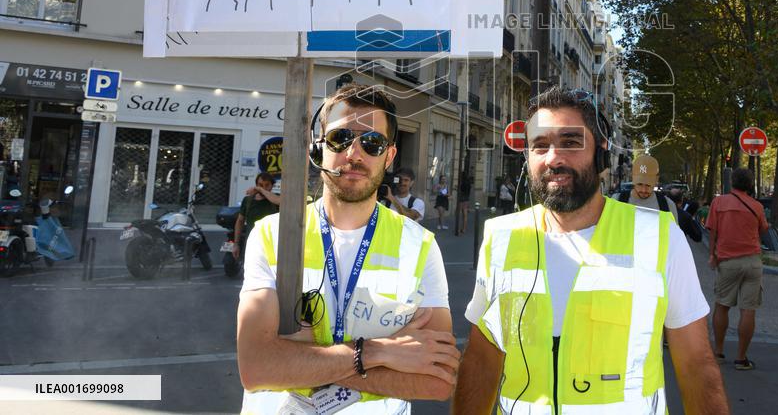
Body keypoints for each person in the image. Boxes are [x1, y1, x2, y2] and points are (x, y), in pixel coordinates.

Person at [454, 87, 729, 414]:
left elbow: (696, 364)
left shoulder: (659, 236)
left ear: (601, 154)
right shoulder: (501, 236)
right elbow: (482, 359)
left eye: (570, 143)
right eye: (540, 146)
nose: (553, 158)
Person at [237, 83, 460, 414]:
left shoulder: (420, 246)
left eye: (372, 143)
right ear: (318, 149)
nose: (354, 154)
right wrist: (376, 353)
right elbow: (257, 369)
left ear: (389, 156)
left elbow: (437, 380)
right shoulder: (271, 234)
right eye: (339, 139)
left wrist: (301, 359)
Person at [706, 167, 769, 370]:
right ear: (750, 185)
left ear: (732, 182)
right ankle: (742, 358)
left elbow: (712, 230)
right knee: (748, 310)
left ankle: (719, 352)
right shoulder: (757, 206)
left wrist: (713, 254)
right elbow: (763, 229)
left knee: (722, 306)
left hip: (728, 262)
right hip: (752, 262)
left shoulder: (719, 202)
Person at [618, 153, 703, 243]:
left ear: (656, 180)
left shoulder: (667, 206)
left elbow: (673, 242)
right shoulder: (617, 201)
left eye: (648, 185)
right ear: (633, 178)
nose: (643, 189)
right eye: (639, 184)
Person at [232, 173, 280, 262]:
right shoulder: (248, 200)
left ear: (272, 186)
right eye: (260, 185)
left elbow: (278, 201)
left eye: (267, 185)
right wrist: (236, 244)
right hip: (252, 244)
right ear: (256, 185)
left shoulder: (275, 198)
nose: (264, 188)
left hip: (271, 246)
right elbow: (240, 221)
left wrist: (260, 189)